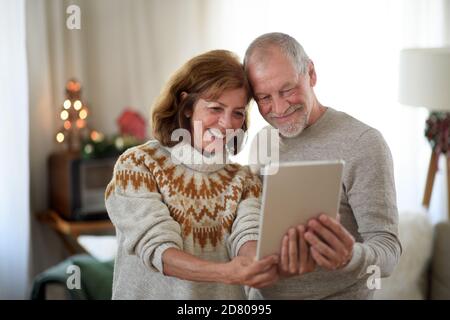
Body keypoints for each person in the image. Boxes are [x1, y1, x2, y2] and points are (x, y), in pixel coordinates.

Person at [105, 50, 279, 299]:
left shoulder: (244, 179)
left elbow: (248, 237)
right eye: (216, 108)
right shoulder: (137, 165)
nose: (227, 124)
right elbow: (159, 250)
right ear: (187, 106)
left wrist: (257, 264)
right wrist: (226, 273)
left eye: (238, 113)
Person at [244, 32, 402, 299]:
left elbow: (388, 251)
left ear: (311, 73)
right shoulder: (263, 141)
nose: (279, 108)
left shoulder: (363, 143)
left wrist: (351, 257)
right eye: (264, 98)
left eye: (287, 90)